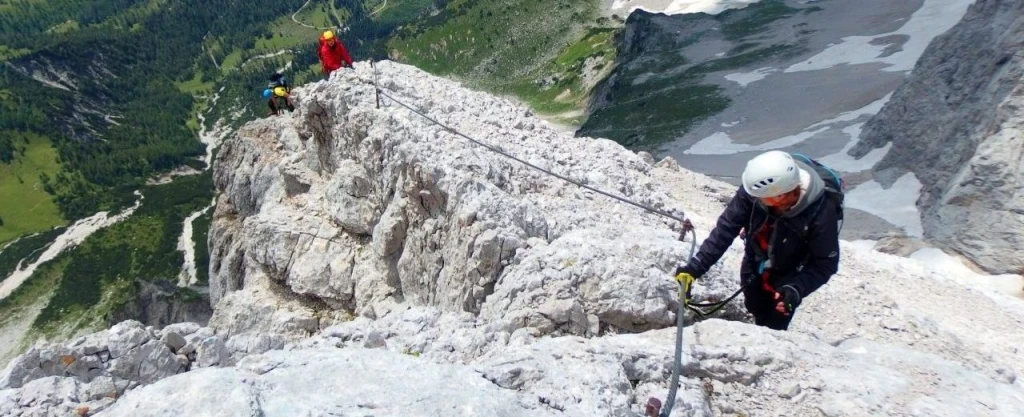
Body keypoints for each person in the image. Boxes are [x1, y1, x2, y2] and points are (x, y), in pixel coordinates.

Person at [674, 150, 841, 330]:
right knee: (753, 304)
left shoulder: (821, 213)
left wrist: (796, 288)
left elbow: (825, 263)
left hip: (791, 271)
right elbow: (726, 229)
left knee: (776, 321)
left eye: (760, 197)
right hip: (755, 257)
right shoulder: (755, 190)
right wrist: (695, 268)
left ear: (779, 196)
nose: (752, 198)